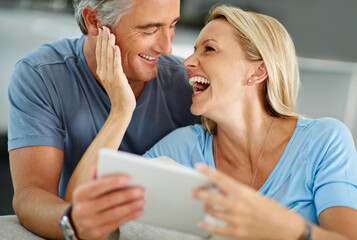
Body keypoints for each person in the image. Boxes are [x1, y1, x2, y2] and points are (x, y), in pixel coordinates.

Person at [89, 4, 357, 240]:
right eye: (194, 50)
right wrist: (122, 110)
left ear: (258, 71)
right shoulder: (180, 149)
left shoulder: (324, 141)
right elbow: (85, 215)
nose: (188, 61)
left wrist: (288, 229)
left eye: (209, 49)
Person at [8, 0, 197, 239]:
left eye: (172, 25)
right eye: (149, 30)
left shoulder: (186, 84)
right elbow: (31, 194)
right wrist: (76, 223)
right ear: (95, 21)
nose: (167, 47)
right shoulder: (42, 75)